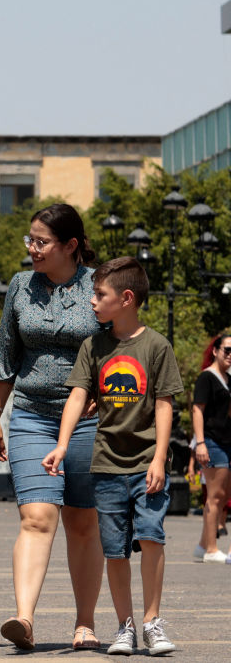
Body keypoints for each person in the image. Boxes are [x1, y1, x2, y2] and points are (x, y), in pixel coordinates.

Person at [43, 256, 182, 655]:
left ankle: (152, 622)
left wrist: (159, 458)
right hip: (106, 465)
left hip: (146, 464)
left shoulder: (156, 345)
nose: (92, 300)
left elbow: (164, 405)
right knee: (115, 550)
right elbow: (78, 397)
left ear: (125, 299)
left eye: (99, 294)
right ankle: (126, 626)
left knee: (151, 538)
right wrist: (62, 444)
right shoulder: (94, 346)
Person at [0, 203, 105, 651]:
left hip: (89, 421)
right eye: (30, 240)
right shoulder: (20, 285)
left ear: (70, 246)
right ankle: (24, 618)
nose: (32, 249)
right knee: (36, 517)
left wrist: (108, 390)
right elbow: (5, 355)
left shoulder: (99, 286)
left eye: (41, 241)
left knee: (82, 521)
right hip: (32, 415)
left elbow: (120, 345)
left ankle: (85, 623)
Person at [190, 334, 231, 563]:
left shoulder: (228, 378)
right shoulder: (207, 377)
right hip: (212, 441)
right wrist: (200, 443)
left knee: (222, 496)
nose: (230, 355)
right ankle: (211, 550)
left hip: (226, 442)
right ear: (215, 351)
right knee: (215, 497)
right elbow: (197, 410)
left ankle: (202, 545)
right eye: (227, 350)